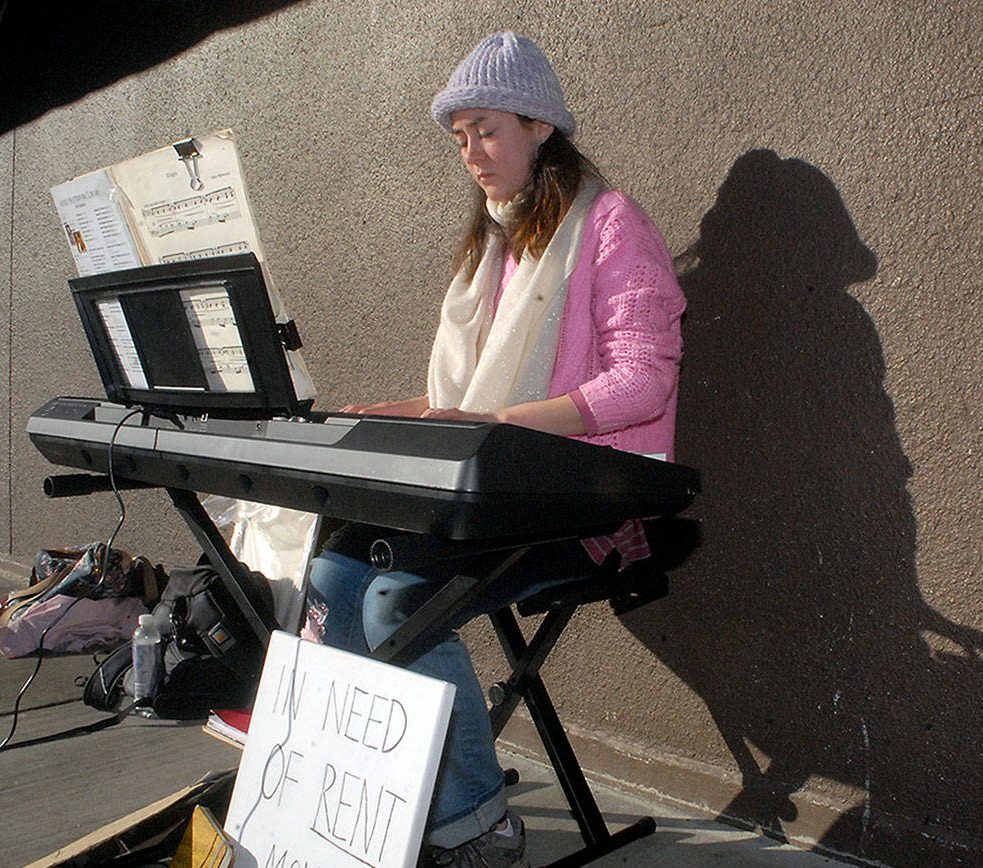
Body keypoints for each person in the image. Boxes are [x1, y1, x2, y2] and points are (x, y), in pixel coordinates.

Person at [301, 31, 684, 867]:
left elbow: (644, 381)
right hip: (496, 491)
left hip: (589, 506)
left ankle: (479, 827)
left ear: (539, 124)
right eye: (459, 135)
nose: (471, 151)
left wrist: (497, 425)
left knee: (396, 605)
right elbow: (465, 406)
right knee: (333, 573)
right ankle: (382, 797)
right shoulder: (495, 244)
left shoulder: (610, 225)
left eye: (486, 127)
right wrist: (399, 414)